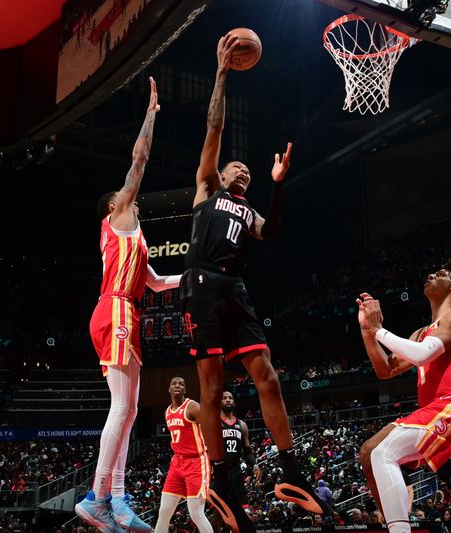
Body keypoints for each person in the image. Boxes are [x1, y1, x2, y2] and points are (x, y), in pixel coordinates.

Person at [179, 32, 331, 533]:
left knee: (267, 375)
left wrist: (280, 185)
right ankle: (223, 483)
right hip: (201, 284)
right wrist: (221, 73)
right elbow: (214, 126)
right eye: (236, 166)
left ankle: (293, 474)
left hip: (235, 288)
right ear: (221, 174)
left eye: (248, 169)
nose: (242, 169)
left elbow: (274, 232)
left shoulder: (249, 210)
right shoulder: (207, 188)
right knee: (212, 385)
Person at [76, 78, 180, 533]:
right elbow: (138, 161)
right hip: (114, 309)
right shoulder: (118, 218)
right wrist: (151, 114)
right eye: (126, 193)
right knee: (121, 408)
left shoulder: (135, 238)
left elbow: (156, 283)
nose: (131, 195)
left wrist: (198, 276)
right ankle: (97, 495)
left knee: (132, 410)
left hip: (128, 311)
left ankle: (117, 498)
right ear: (115, 205)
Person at [357, 260, 451, 533]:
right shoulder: (420, 333)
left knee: (382, 453)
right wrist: (368, 333)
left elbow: (423, 354)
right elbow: (385, 370)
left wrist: (379, 330)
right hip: (433, 409)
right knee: (368, 453)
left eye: (440, 274)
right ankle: (395, 525)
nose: (430, 274)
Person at [154, 377, 212, 533]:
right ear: (169, 389)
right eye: (174, 383)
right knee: (164, 511)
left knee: (196, 513)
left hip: (196, 462)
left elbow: (210, 427)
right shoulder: (167, 411)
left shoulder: (193, 407)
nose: (177, 386)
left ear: (185, 390)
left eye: (181, 384)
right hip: (177, 463)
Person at [210, 391, 259, 533]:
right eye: (224, 398)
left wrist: (254, 464)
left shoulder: (242, 425)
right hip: (220, 471)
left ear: (234, 402)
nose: (227, 400)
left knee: (239, 513)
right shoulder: (214, 422)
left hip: (236, 472)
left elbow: (247, 451)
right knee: (219, 513)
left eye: (230, 398)